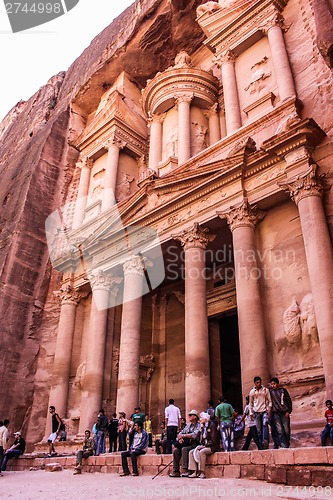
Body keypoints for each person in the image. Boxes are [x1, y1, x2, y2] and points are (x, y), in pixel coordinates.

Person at [169, 409, 200, 477]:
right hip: (185, 443)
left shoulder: (198, 425)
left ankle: (186, 469)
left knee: (184, 449)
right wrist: (180, 438)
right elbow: (180, 433)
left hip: (193, 444)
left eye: (191, 415)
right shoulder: (188, 425)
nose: (189, 416)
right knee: (176, 450)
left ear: (195, 417)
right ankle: (176, 471)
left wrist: (184, 436)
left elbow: (194, 435)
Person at [187, 412, 218, 479]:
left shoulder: (212, 426)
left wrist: (205, 446)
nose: (200, 419)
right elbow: (197, 439)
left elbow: (213, 440)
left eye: (201, 418)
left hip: (211, 446)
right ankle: (194, 471)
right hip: (203, 445)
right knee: (191, 452)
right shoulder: (203, 427)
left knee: (202, 452)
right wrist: (200, 430)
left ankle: (202, 472)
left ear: (205, 418)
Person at [249, 376, 272, 449]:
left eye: (260, 382)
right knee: (259, 430)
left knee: (265, 425)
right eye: (257, 383)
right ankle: (261, 444)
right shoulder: (252, 392)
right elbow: (251, 403)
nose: (259, 384)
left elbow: (270, 401)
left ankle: (265, 441)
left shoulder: (265, 390)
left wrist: (269, 408)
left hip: (264, 410)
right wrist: (251, 412)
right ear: (255, 383)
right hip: (256, 411)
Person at [269, 377, 292, 448]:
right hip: (276, 413)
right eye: (272, 384)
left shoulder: (283, 391)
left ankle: (286, 443)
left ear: (277, 384)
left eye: (274, 384)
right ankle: (283, 445)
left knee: (286, 429)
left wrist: (288, 411)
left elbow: (288, 401)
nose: (273, 385)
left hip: (284, 412)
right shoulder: (270, 393)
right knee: (280, 430)